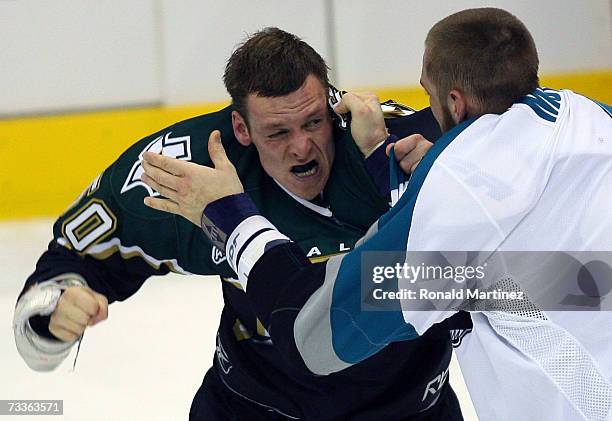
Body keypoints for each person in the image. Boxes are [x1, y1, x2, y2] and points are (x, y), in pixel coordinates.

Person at [141, 9, 612, 421]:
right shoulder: (593, 116)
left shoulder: (456, 214)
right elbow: (567, 277)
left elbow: (316, 336)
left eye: (427, 93)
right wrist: (404, 176)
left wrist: (229, 216)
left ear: (453, 103)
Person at [12, 28, 467, 420]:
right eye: (278, 132)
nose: (302, 148)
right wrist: (54, 311)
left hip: (411, 410)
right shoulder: (186, 174)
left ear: (333, 109)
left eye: (314, 123)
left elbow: (520, 278)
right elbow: (65, 269)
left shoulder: (405, 150)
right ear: (241, 129)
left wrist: (434, 192)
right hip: (253, 408)